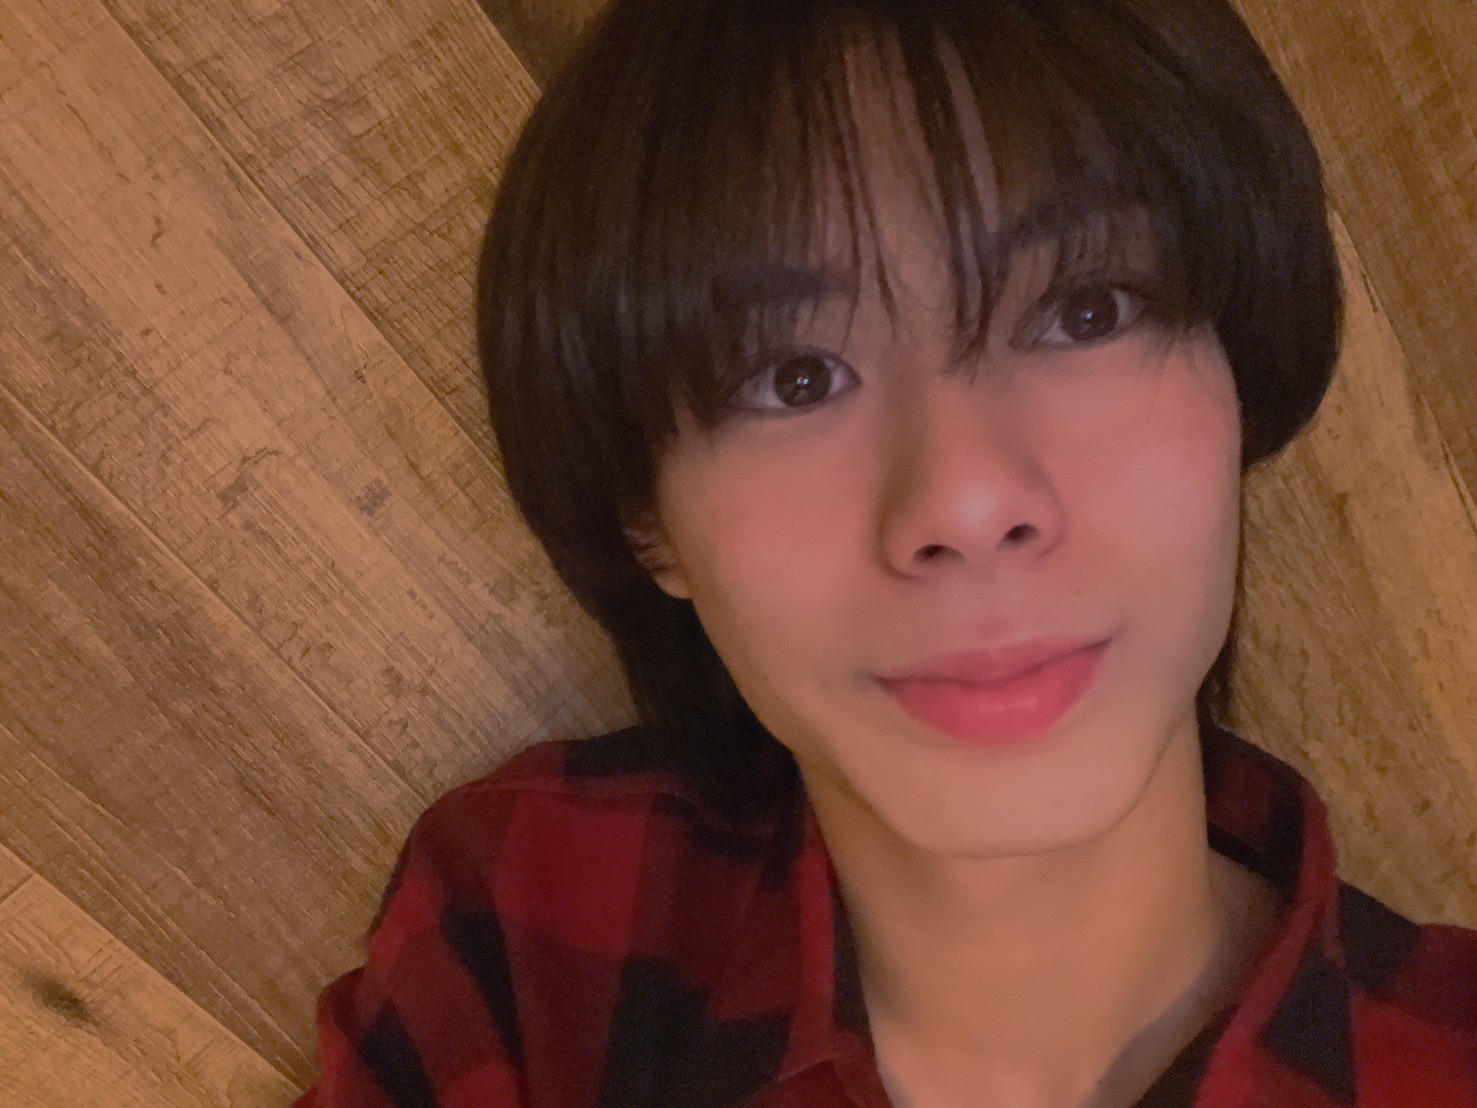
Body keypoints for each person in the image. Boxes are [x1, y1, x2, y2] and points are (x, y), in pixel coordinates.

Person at [294, 1, 1477, 1104]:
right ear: (645, 518)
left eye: (1087, 310)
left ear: (1238, 379)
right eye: (793, 377)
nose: (966, 499)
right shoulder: (532, 930)